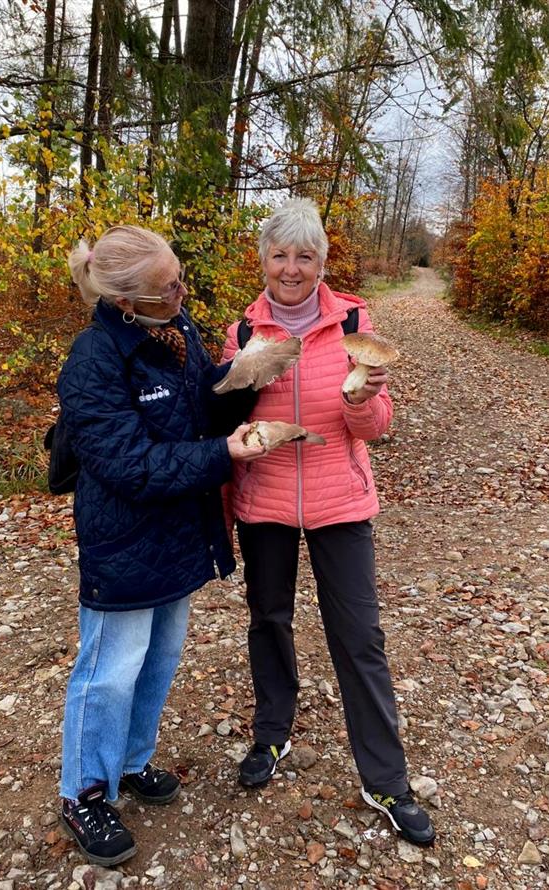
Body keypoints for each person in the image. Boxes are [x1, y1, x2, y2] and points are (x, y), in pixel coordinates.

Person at [222, 199, 435, 846]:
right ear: (264, 260)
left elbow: (375, 426)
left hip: (340, 499)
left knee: (359, 635)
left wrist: (367, 402)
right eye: (280, 255)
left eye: (305, 256)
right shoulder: (239, 332)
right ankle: (272, 734)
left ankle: (386, 779)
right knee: (269, 620)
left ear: (322, 261)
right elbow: (220, 421)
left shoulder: (352, 322)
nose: (291, 268)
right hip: (265, 502)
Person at [58, 224, 265, 867]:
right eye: (166, 286)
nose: (182, 290)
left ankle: (130, 762)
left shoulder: (175, 327)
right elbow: (130, 466)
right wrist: (222, 455)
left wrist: (245, 376)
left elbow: (200, 405)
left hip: (178, 535)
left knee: (159, 658)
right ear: (126, 302)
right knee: (110, 670)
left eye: (178, 276)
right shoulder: (93, 359)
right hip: (123, 542)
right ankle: (85, 792)